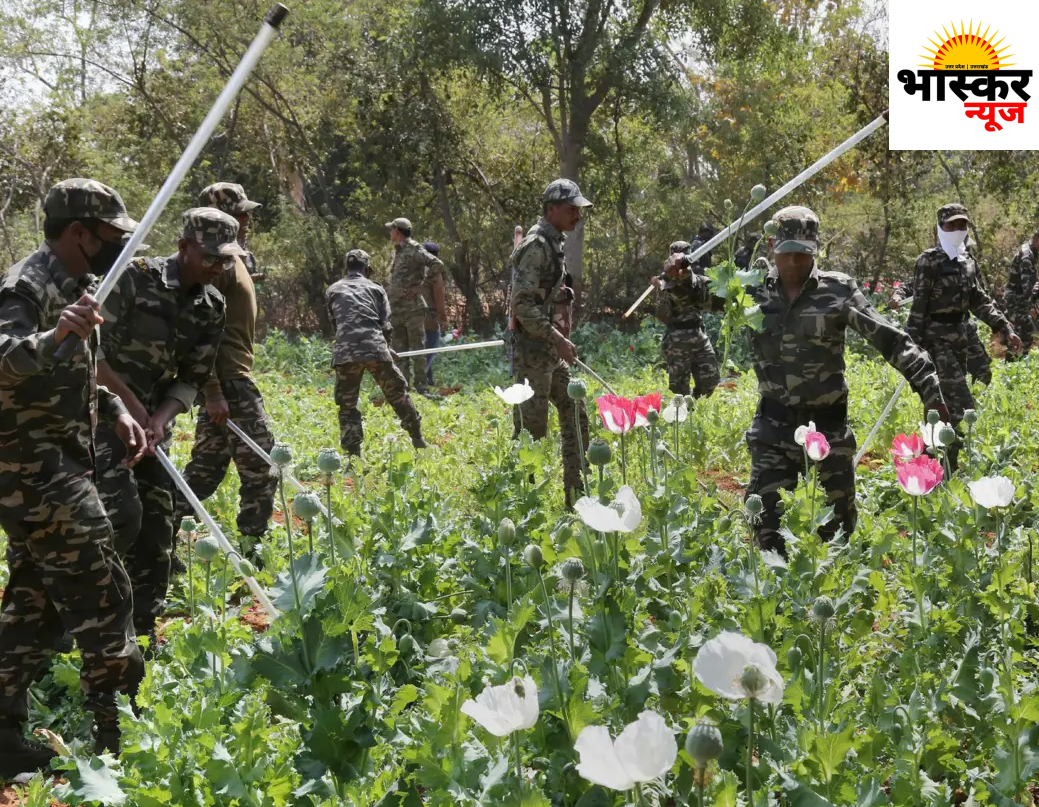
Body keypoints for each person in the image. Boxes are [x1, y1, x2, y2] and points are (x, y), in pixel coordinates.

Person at [674, 205, 949, 555]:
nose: (793, 263)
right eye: (787, 253)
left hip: (828, 431)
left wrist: (930, 389)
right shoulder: (751, 289)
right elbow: (696, 294)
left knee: (837, 538)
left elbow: (892, 341)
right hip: (773, 431)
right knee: (767, 535)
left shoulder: (838, 291)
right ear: (771, 246)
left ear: (816, 250)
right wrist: (679, 276)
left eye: (802, 254)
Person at [0, 179, 147, 772]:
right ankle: (123, 741)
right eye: (111, 235)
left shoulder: (80, 285)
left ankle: (2, 736)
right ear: (79, 232)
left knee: (32, 606)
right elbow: (5, 358)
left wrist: (113, 410)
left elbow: (74, 371)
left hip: (57, 466)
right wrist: (55, 333)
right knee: (105, 596)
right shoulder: (26, 286)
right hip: (35, 473)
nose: (119, 247)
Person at [95, 208, 229, 646]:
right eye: (210, 256)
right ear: (184, 246)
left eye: (226, 259)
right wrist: (131, 407)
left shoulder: (212, 306)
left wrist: (160, 418)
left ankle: (142, 634)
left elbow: (193, 376)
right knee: (119, 519)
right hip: (99, 415)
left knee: (158, 529)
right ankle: (74, 625)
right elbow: (90, 354)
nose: (218, 266)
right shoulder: (132, 278)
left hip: (149, 426)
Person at [171, 184, 277, 572]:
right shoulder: (216, 263)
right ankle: (253, 546)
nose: (246, 219)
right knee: (262, 465)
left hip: (228, 377)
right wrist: (213, 390)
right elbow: (202, 329)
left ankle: (160, 539)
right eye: (239, 213)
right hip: (228, 380)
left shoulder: (233, 259)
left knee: (204, 470)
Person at [906, 204, 1022, 467]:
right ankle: (944, 466)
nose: (958, 230)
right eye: (952, 225)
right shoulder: (929, 261)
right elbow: (919, 306)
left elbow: (979, 300)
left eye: (963, 225)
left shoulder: (967, 260)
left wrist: (1005, 327)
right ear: (940, 227)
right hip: (936, 340)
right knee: (958, 404)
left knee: (942, 402)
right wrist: (909, 348)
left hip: (961, 338)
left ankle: (934, 464)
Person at [508, 178, 591, 506]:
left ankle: (577, 496)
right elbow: (521, 305)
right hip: (532, 353)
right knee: (532, 432)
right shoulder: (536, 246)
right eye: (572, 209)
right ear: (552, 209)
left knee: (575, 413)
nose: (577, 216)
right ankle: (523, 506)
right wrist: (557, 338)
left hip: (548, 351)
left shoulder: (553, 243)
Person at [326, 249, 425, 456]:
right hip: (375, 349)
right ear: (367, 269)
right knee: (398, 394)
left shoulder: (333, 290)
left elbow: (336, 323)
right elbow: (385, 324)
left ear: (346, 268)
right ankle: (418, 441)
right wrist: (386, 348)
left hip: (345, 353)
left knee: (347, 405)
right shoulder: (376, 289)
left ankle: (353, 455)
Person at [889, 277, 992, 385]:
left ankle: (978, 391)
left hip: (964, 330)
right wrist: (897, 297)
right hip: (939, 336)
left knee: (983, 372)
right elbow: (906, 288)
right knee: (948, 380)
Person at [385, 217, 447, 395]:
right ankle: (403, 387)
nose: (390, 233)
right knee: (399, 350)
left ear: (397, 231)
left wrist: (422, 287)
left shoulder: (415, 249)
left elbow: (437, 264)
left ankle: (421, 386)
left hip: (413, 309)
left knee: (418, 349)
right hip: (396, 308)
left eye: (391, 229)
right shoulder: (398, 251)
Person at [651, 241, 720, 398]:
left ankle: (695, 405)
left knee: (710, 381)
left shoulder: (698, 280)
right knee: (679, 388)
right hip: (677, 339)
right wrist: (661, 291)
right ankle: (683, 411)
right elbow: (663, 316)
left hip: (699, 335)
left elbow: (711, 302)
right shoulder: (665, 284)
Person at [1003, 226, 1039, 360]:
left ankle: (1019, 363)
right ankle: (1012, 364)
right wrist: (1033, 304)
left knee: (1025, 333)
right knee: (1020, 334)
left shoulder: (1030, 252)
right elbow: (1027, 288)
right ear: (1037, 240)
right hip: (1017, 301)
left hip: (1019, 300)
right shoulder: (1027, 257)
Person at [422, 240, 444, 389]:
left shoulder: (414, 271)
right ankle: (421, 380)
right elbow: (439, 298)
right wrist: (443, 319)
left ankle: (429, 380)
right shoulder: (435, 273)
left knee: (423, 351)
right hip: (429, 318)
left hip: (412, 317)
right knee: (431, 349)